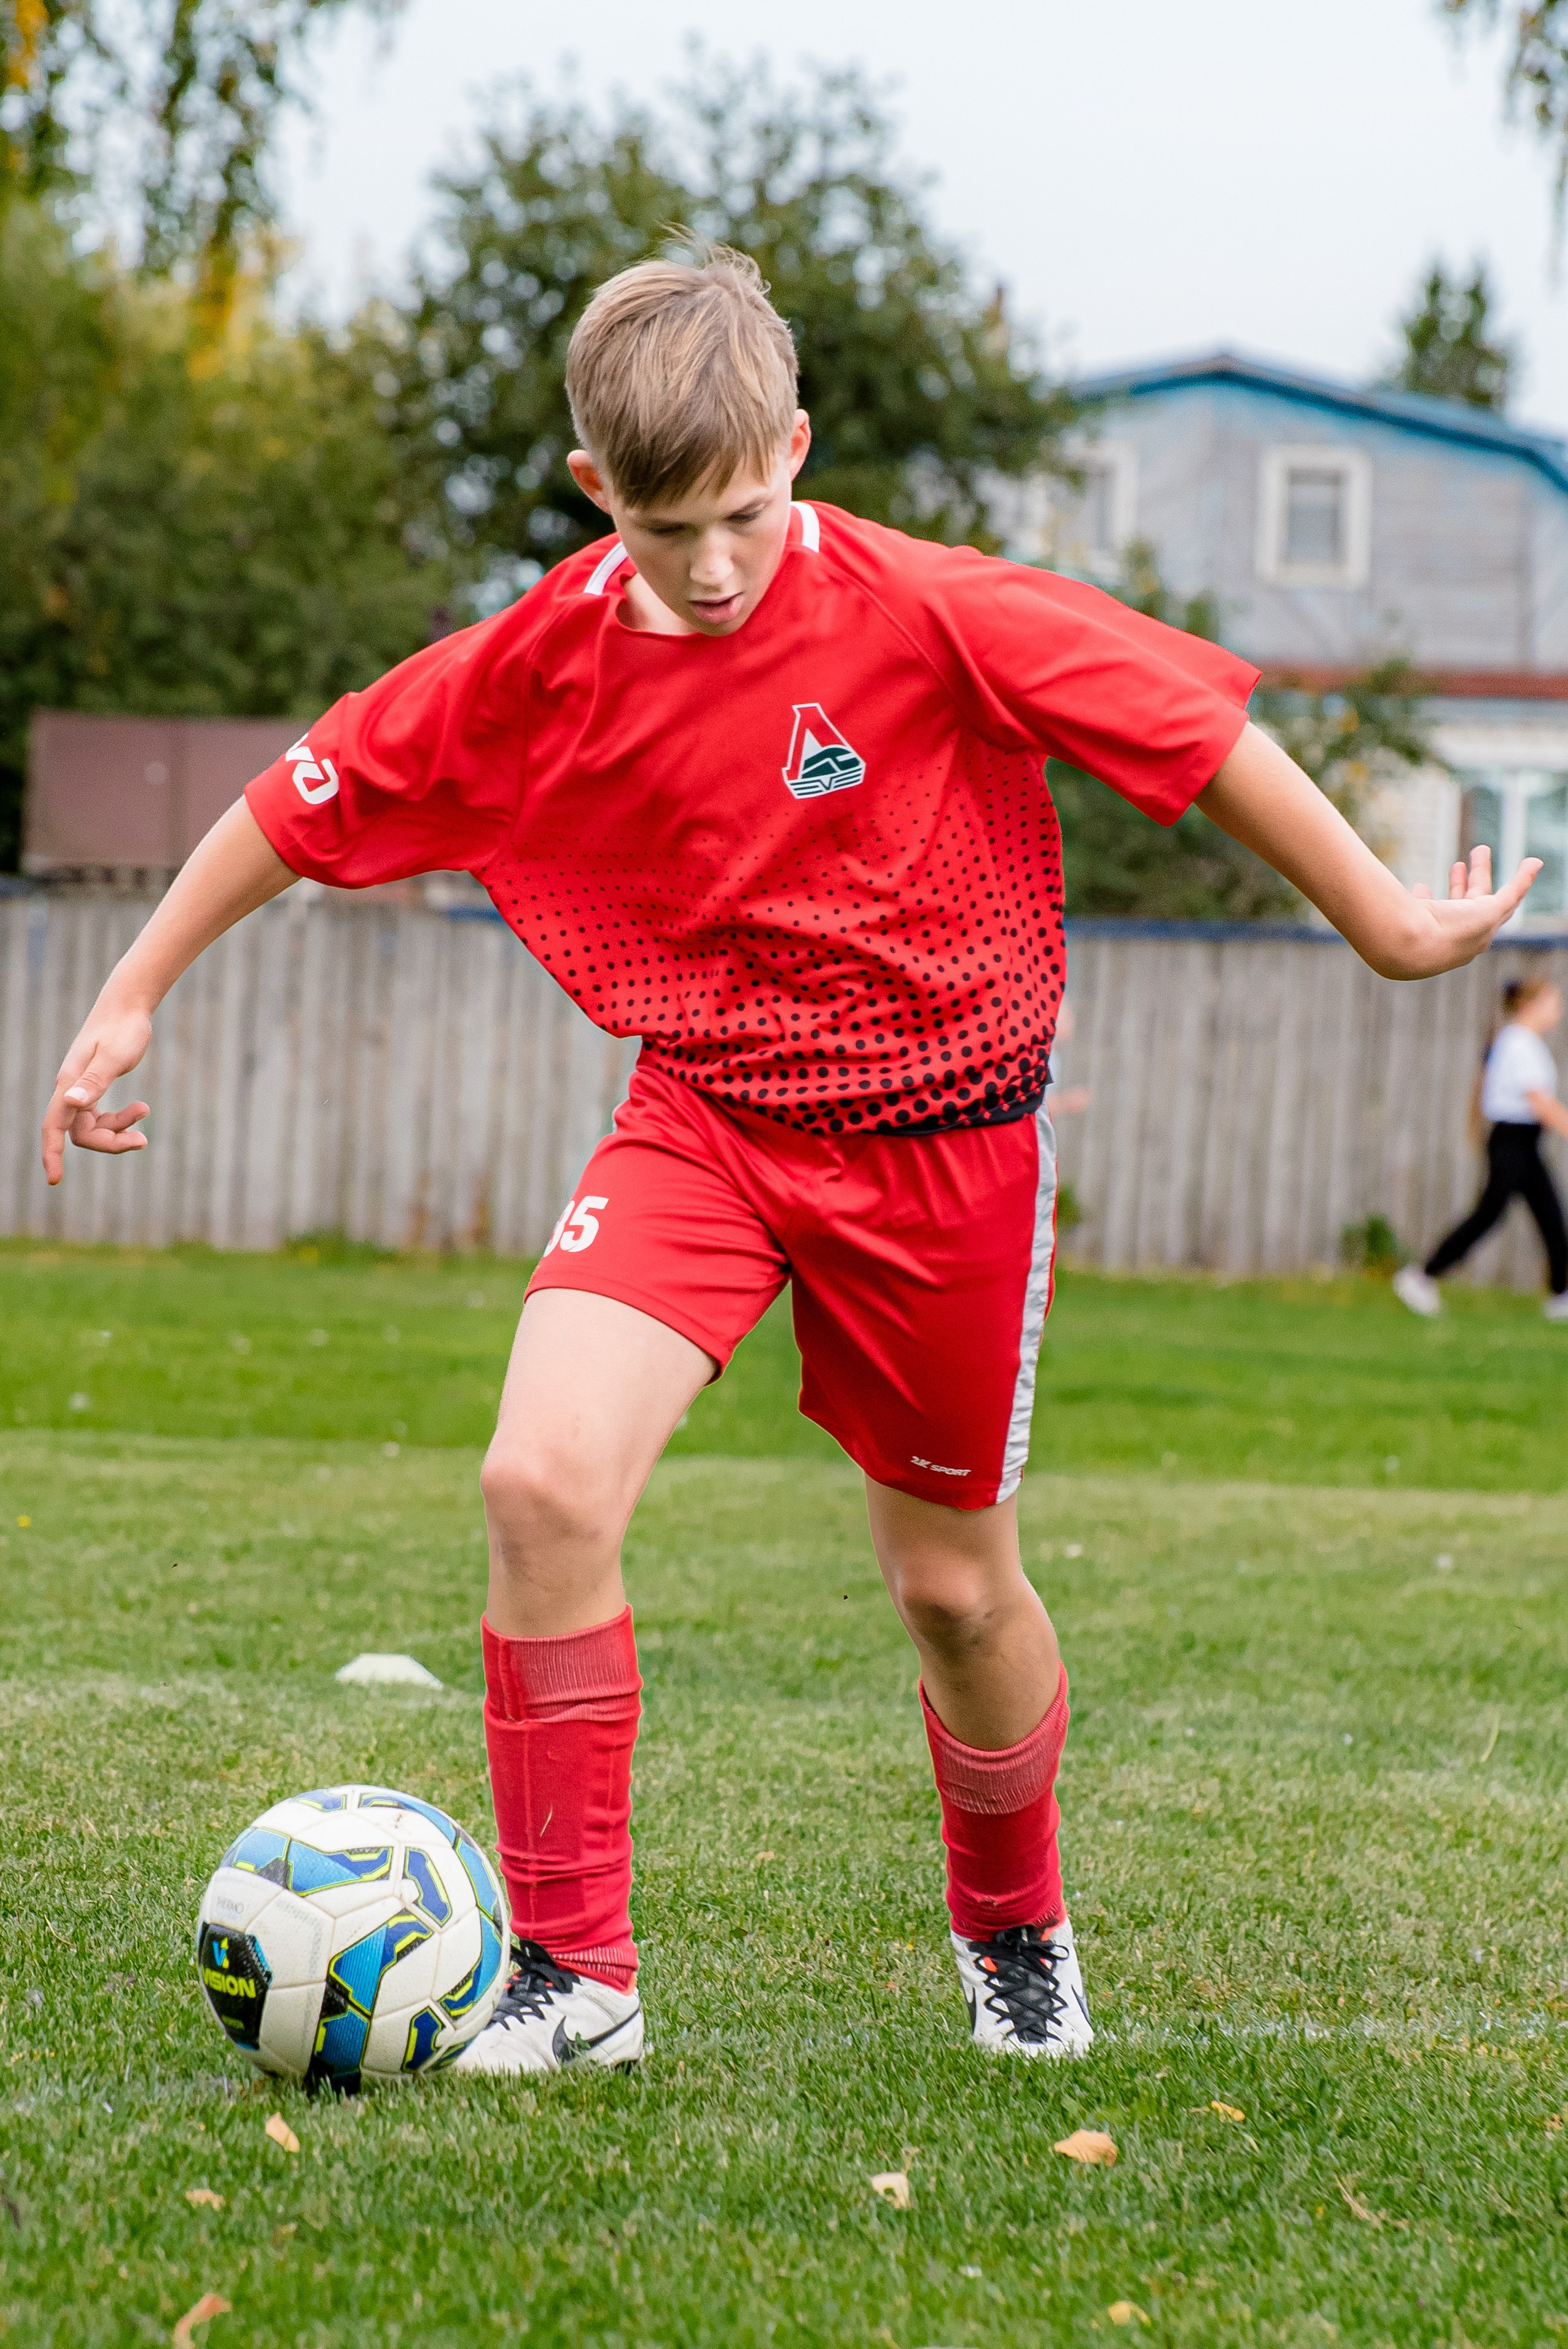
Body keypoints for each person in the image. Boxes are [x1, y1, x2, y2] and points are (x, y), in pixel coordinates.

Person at [41, 249, 1540, 2076]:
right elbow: (309, 792)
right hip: (709, 1122)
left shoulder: (931, 610)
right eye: (675, 527)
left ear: (797, 452)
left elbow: (1193, 729)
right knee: (538, 1482)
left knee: (949, 1590)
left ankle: (1012, 1927)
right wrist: (132, 991)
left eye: (751, 510)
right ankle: (576, 1982)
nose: (721, 562)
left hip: (945, 1156)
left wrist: (1385, 921)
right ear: (601, 494)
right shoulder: (546, 653)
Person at [1394, 976, 1568, 1322]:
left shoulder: (1521, 1041)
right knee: (1489, 1214)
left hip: (1522, 1142)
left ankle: (1561, 1296)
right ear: (1532, 1005)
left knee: (1550, 1214)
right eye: (1554, 1002)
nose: (1559, 1010)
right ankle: (1421, 1276)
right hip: (1512, 1142)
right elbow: (1539, 1102)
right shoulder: (1519, 1042)